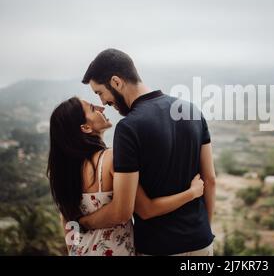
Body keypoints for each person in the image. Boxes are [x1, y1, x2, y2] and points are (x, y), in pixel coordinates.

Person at [79, 48, 216, 255]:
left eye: (100, 93)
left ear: (116, 82)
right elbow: (210, 179)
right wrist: (203, 230)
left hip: (158, 247)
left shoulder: (129, 128)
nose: (103, 102)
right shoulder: (191, 110)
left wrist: (82, 222)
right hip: (202, 243)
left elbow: (139, 210)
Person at [47, 97, 205, 256]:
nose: (101, 108)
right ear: (86, 127)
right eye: (93, 109)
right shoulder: (111, 159)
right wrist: (191, 193)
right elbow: (146, 209)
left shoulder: (65, 173)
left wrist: (74, 250)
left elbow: (67, 221)